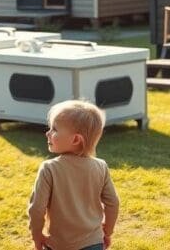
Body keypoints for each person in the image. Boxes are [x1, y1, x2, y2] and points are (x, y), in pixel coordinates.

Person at [28, 100, 120, 250]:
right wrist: (107, 232)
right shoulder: (101, 167)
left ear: (76, 139)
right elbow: (113, 203)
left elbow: (37, 209)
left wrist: (36, 235)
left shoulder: (49, 169)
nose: (47, 133)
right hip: (93, 243)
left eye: (54, 129)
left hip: (59, 245)